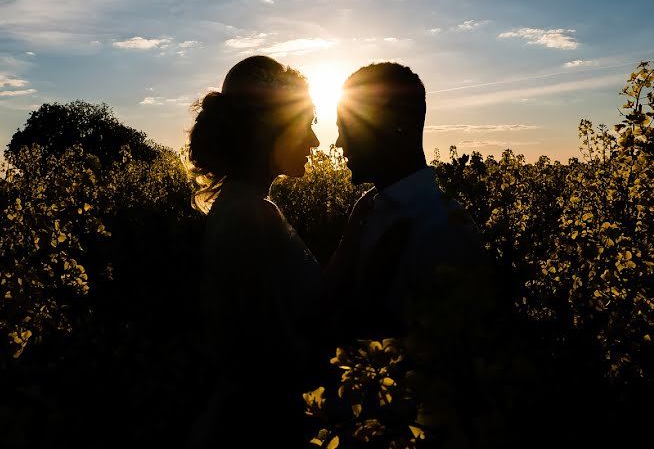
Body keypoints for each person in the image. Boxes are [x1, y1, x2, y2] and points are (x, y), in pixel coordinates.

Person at [184, 55, 321, 449]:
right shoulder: (250, 215)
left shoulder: (244, 205)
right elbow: (273, 354)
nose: (314, 141)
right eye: (307, 124)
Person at [321, 62, 484, 344]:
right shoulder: (371, 210)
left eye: (347, 127)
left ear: (395, 127)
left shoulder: (441, 228)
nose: (337, 143)